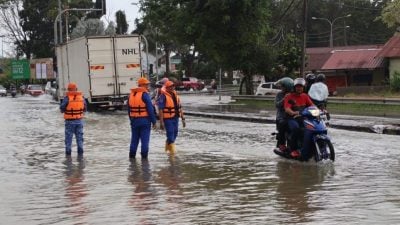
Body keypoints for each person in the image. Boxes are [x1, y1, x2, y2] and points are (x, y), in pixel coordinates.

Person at [283, 78, 314, 159]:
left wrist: (320, 111)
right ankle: (293, 149)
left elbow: (312, 106)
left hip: (302, 118)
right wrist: (293, 112)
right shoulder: (289, 96)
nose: (299, 88)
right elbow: (287, 109)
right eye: (297, 86)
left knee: (311, 128)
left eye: (301, 86)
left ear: (303, 88)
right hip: (292, 118)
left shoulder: (305, 96)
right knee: (296, 128)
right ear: (294, 88)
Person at [128, 77, 157, 159]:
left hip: (134, 121)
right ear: (142, 85)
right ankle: (144, 159)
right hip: (144, 121)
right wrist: (154, 122)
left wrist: (131, 120)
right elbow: (150, 109)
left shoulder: (131, 95)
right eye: (147, 85)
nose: (148, 86)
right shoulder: (145, 95)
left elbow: (129, 110)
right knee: (145, 140)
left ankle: (132, 158)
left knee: (134, 140)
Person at [158, 80, 186, 153]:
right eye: (170, 86)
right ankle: (172, 155)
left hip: (175, 117)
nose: (172, 87)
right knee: (170, 134)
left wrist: (183, 119)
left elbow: (180, 107)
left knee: (175, 133)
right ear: (167, 88)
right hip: (167, 118)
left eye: (173, 86)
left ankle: (167, 149)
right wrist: (161, 122)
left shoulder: (175, 94)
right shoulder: (163, 96)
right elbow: (160, 109)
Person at [60, 82, 87, 156]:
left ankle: (68, 158)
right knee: (80, 140)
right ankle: (81, 158)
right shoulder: (82, 98)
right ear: (76, 89)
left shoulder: (67, 98)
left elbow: (62, 108)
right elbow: (85, 109)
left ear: (69, 90)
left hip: (69, 122)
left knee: (68, 140)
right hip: (79, 121)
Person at [274, 77, 294, 152]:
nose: (281, 88)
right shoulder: (279, 94)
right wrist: (284, 99)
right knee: (282, 126)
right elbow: (277, 105)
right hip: (282, 117)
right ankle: (281, 144)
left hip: (293, 116)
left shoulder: (294, 94)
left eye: (282, 86)